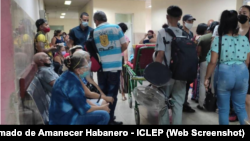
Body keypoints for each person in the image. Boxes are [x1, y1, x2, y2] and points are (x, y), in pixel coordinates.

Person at [205, 10, 250, 125]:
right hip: (243, 72)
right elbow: (248, 61)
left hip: (225, 74)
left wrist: (207, 78)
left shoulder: (218, 40)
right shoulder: (244, 39)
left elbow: (213, 62)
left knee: (223, 109)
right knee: (240, 107)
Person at [49, 52, 110, 125]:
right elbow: (84, 109)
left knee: (101, 105)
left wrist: (99, 107)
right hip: (66, 120)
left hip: (62, 115)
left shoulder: (68, 75)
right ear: (78, 70)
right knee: (104, 116)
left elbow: (82, 100)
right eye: (86, 67)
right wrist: (102, 108)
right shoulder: (72, 83)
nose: (87, 69)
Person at [93, 11, 128, 125]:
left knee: (103, 93)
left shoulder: (95, 31)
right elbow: (124, 45)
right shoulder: (116, 27)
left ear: (96, 21)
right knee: (112, 94)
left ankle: (104, 118)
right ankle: (109, 119)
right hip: (114, 66)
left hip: (101, 67)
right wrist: (116, 53)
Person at [155, 5, 187, 124]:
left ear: (167, 17)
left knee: (163, 103)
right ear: (180, 18)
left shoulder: (162, 32)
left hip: (166, 73)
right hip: (181, 74)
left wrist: (155, 76)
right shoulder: (185, 34)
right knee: (178, 103)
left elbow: (160, 54)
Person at [196, 21, 218, 110]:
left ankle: (201, 104)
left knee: (202, 82)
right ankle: (212, 104)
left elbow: (198, 52)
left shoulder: (203, 38)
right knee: (213, 83)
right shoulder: (221, 38)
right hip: (215, 62)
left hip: (204, 62)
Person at [238, 5, 250, 123]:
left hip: (248, 67)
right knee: (242, 97)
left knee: (247, 97)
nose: (241, 14)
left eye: (245, 12)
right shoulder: (234, 31)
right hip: (236, 68)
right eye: (239, 12)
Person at [182, 14, 196, 113]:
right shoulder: (180, 32)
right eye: (189, 21)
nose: (190, 23)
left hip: (189, 61)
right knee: (181, 84)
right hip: (181, 61)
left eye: (192, 22)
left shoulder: (190, 33)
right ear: (184, 22)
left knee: (187, 83)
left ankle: (185, 103)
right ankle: (181, 103)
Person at [118, 23, 130, 101]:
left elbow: (125, 50)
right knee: (122, 76)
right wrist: (126, 60)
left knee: (121, 76)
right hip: (121, 58)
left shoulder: (121, 38)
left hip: (118, 57)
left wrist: (125, 60)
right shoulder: (126, 38)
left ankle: (123, 93)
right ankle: (123, 93)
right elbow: (125, 50)